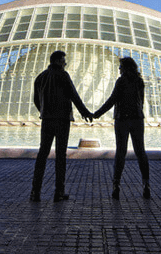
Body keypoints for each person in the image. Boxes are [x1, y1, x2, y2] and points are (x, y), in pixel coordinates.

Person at [30, 50, 93, 202]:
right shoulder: (63, 75)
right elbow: (74, 95)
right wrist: (85, 112)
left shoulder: (40, 77)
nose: (65, 64)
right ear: (57, 61)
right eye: (64, 61)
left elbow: (36, 100)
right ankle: (59, 192)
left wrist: (45, 112)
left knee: (42, 154)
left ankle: (35, 192)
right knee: (60, 156)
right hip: (62, 120)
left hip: (47, 119)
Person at [93, 56, 151, 199]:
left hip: (122, 120)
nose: (119, 69)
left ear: (125, 68)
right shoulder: (139, 81)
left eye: (120, 67)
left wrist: (97, 114)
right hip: (137, 119)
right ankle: (146, 185)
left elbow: (112, 100)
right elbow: (141, 102)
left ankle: (116, 185)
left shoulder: (121, 81)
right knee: (140, 152)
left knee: (121, 152)